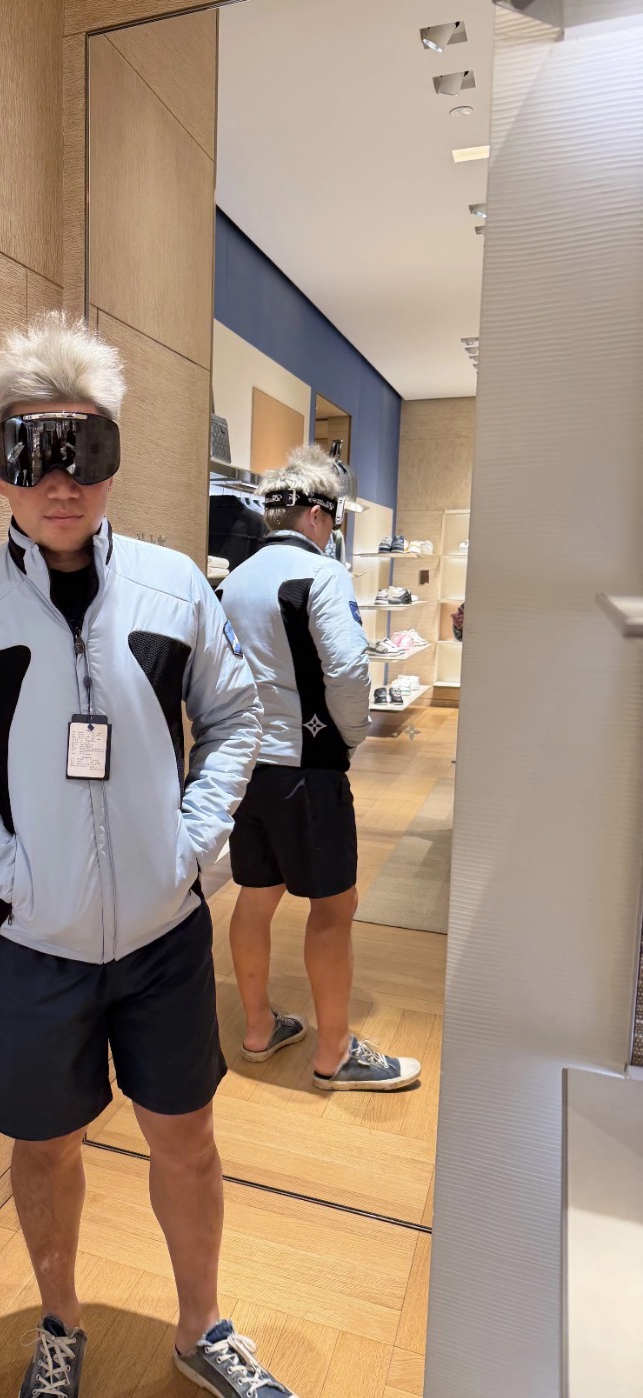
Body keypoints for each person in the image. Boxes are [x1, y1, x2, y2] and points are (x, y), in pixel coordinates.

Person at [0, 313, 299, 1398]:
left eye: (86, 447)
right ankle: (60, 1325)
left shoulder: (173, 586)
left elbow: (237, 717)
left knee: (187, 1139)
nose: (60, 480)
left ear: (114, 457)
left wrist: (193, 843)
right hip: (35, 943)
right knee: (45, 1146)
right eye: (32, 451)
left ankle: (200, 1327)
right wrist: (10, 869)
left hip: (164, 938)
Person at [218, 446, 421, 1092]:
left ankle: (258, 1028)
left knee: (256, 896)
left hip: (248, 765)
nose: (331, 532)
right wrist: (351, 736)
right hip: (307, 768)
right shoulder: (322, 574)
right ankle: (334, 1051)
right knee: (335, 907)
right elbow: (350, 670)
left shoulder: (235, 579)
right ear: (315, 515)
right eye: (332, 519)